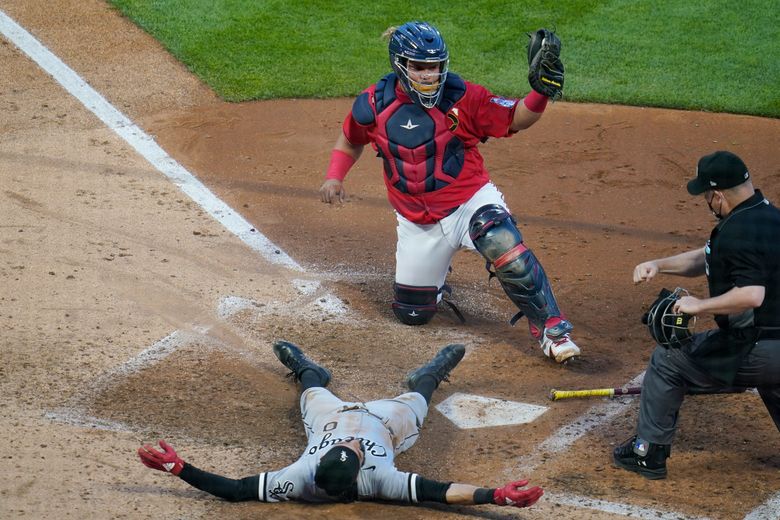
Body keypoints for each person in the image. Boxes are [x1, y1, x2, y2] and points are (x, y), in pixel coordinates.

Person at [318, 21, 580, 364]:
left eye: (435, 66)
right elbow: (351, 139)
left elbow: (516, 117)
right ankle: (433, 283)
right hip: (417, 222)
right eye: (420, 67)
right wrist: (334, 177)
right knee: (412, 313)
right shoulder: (374, 103)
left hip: (468, 203)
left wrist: (541, 93)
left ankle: (551, 328)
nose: (429, 75)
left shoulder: (463, 96)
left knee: (500, 240)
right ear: (399, 64)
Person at [138, 340, 544, 508]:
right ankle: (431, 374)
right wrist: (497, 495)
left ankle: (306, 370)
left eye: (342, 449)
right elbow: (441, 491)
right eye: (352, 451)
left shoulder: (299, 477)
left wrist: (178, 468)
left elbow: (236, 490)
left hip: (327, 418)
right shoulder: (380, 480)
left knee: (311, 391)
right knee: (420, 398)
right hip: (389, 422)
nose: (351, 444)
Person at [613, 151, 780, 479]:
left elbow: (752, 295)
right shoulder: (767, 217)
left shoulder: (737, 231)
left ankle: (648, 452)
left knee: (668, 362)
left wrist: (700, 305)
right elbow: (707, 257)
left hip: (762, 347)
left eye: (706, 194)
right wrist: (659, 265)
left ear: (717, 195)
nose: (706, 200)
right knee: (773, 380)